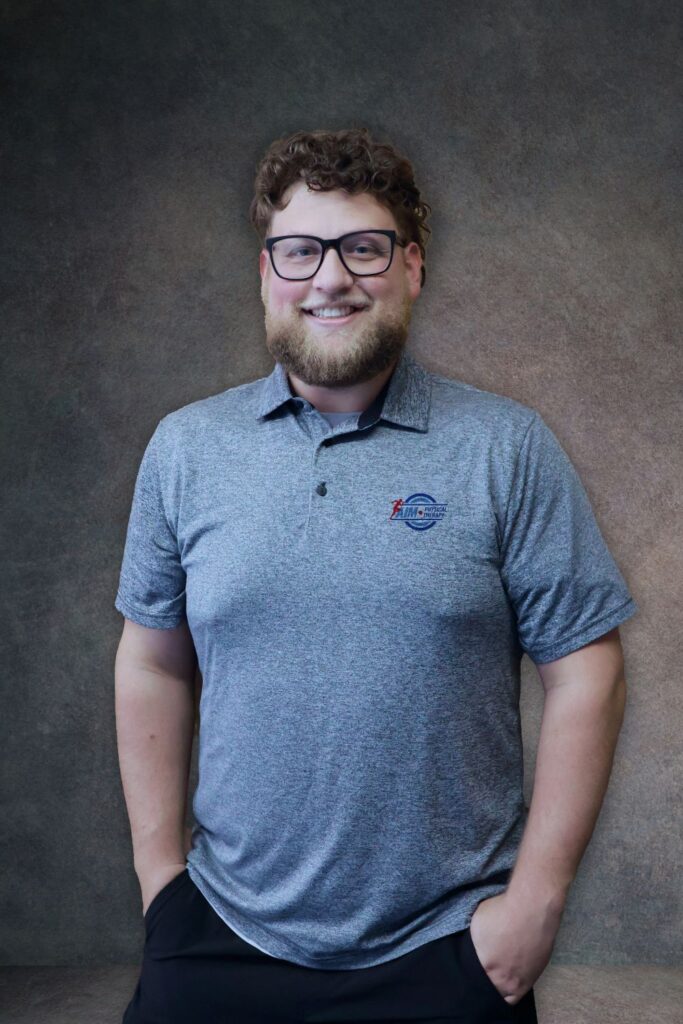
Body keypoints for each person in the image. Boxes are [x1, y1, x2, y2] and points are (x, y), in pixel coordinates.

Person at [115, 128, 638, 1024]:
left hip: (445, 948)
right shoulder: (187, 449)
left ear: (412, 270)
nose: (329, 278)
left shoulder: (504, 448)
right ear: (265, 272)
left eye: (363, 247)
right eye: (300, 250)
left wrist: (534, 910)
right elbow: (153, 663)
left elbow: (587, 667)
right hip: (219, 934)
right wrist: (160, 879)